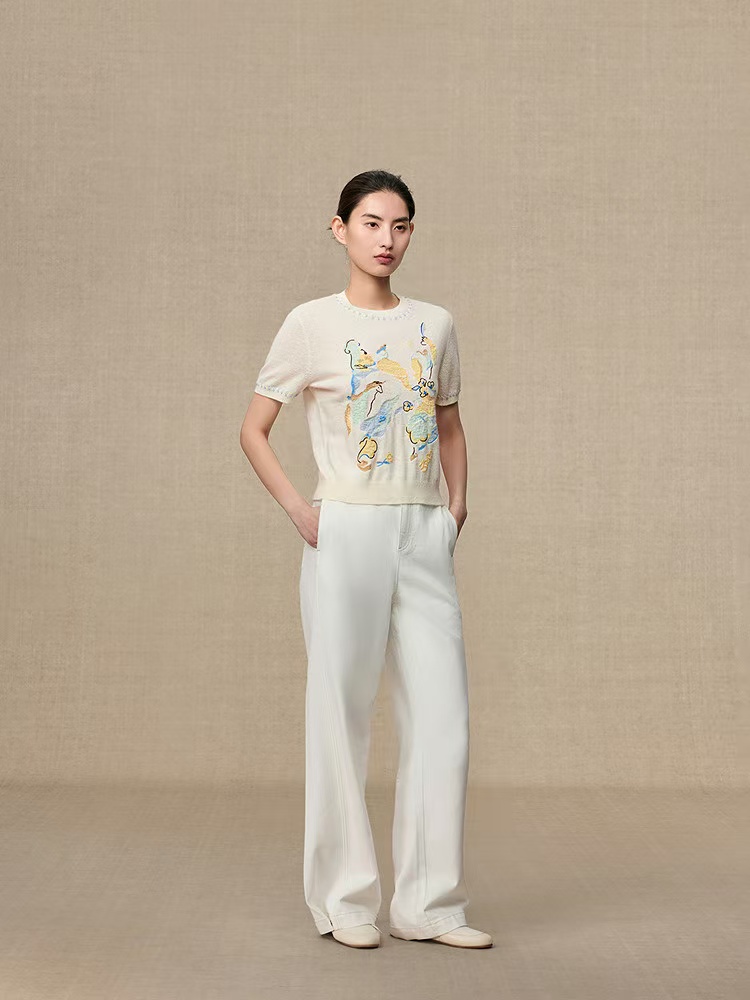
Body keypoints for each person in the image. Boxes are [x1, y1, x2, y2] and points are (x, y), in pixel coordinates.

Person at [240, 169, 492, 950]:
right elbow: (253, 428)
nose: (387, 239)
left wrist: (454, 508)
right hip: (345, 528)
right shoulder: (310, 324)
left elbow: (448, 423)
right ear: (341, 228)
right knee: (339, 712)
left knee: (444, 717)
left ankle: (430, 905)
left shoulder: (435, 324)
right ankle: (345, 902)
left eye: (401, 225)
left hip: (422, 530)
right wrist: (301, 509)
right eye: (373, 223)